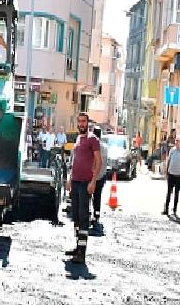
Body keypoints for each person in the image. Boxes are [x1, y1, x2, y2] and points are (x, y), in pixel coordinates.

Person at [65, 112, 101, 264]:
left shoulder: (93, 139)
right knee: (76, 216)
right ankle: (77, 246)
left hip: (85, 183)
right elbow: (74, 161)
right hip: (75, 182)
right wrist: (69, 178)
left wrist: (93, 182)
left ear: (88, 123)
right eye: (79, 121)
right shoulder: (78, 139)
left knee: (84, 217)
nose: (81, 124)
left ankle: (82, 253)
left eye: (83, 122)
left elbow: (98, 161)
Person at [163, 137, 180, 217]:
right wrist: (166, 172)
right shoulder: (172, 150)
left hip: (179, 175)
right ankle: (166, 209)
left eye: (178, 141)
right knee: (169, 192)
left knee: (176, 193)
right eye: (176, 141)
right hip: (171, 174)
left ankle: (174, 210)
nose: (177, 143)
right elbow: (169, 161)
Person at [91, 127, 108, 230]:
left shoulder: (92, 146)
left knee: (88, 196)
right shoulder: (105, 147)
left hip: (91, 176)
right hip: (101, 176)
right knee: (97, 197)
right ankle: (96, 215)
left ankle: (87, 214)